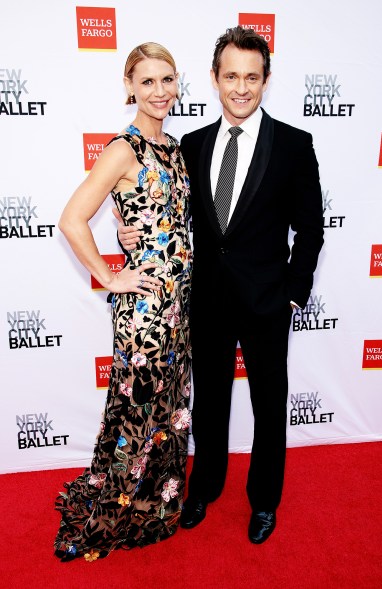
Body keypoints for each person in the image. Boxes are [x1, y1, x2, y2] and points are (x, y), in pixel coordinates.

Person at [117, 26, 324, 545]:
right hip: (205, 300)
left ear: (266, 81)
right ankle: (204, 487)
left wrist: (293, 294)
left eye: (252, 77)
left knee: (268, 404)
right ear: (213, 78)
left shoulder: (296, 146)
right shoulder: (192, 144)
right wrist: (128, 231)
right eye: (230, 75)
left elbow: (312, 227)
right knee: (208, 402)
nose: (241, 87)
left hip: (267, 302)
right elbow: (168, 210)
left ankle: (264, 502)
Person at [54, 42, 192, 561]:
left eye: (168, 80)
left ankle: (156, 503)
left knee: (168, 409)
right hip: (145, 311)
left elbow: (161, 220)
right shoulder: (123, 149)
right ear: (129, 86)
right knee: (138, 409)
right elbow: (71, 220)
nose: (160, 92)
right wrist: (111, 277)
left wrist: (122, 227)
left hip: (178, 309)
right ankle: (112, 514)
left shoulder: (174, 149)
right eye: (148, 81)